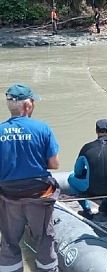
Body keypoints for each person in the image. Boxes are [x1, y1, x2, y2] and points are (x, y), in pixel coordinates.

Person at [0, 84, 60, 272]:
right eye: (33, 102)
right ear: (27, 105)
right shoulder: (42, 128)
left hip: (9, 197)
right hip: (38, 196)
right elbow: (54, 164)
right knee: (44, 239)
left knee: (9, 241)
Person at [67, 119, 107, 219]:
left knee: (71, 178)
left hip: (92, 189)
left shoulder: (86, 148)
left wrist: (86, 172)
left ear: (96, 131)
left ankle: (86, 209)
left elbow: (77, 171)